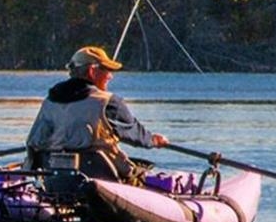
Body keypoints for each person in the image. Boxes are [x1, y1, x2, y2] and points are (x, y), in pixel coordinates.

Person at [25, 46, 169, 184]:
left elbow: (35, 144)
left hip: (54, 178)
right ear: (92, 71)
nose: (110, 76)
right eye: (107, 70)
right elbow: (138, 136)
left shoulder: (50, 101)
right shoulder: (108, 102)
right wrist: (155, 140)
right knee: (144, 174)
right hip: (104, 179)